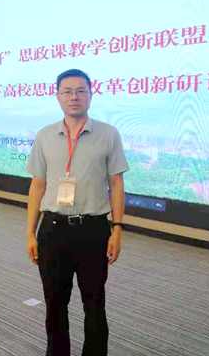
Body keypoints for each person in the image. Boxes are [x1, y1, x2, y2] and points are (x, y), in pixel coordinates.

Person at [25, 69, 129, 356]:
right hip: (53, 230)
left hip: (93, 230)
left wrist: (117, 229)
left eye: (81, 91)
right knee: (55, 304)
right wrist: (30, 233)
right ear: (58, 96)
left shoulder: (108, 134)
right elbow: (37, 186)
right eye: (68, 91)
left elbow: (116, 184)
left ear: (91, 95)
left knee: (94, 303)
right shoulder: (45, 135)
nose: (74, 97)